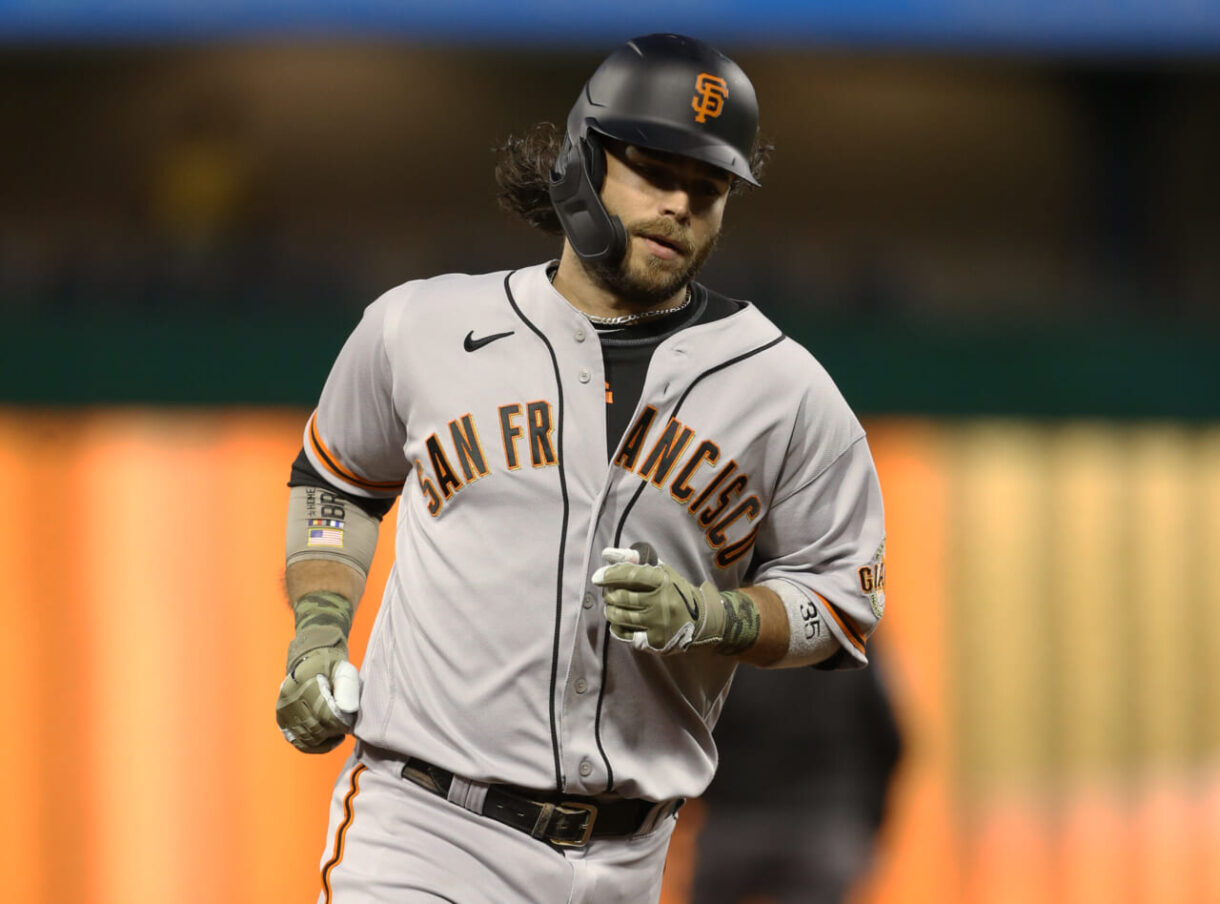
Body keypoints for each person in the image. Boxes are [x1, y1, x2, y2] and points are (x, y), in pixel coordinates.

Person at [273, 33, 887, 904]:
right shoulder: (420, 327)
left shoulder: (784, 389)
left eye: (708, 188)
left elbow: (843, 603)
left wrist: (714, 616)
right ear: (580, 161)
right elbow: (336, 484)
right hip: (425, 831)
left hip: (627, 861)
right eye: (654, 171)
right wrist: (319, 631)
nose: (679, 204)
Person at [690, 649, 903, 904]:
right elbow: (889, 738)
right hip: (825, 823)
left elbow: (700, 724)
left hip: (733, 819)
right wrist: (870, 820)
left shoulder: (735, 633)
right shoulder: (852, 637)